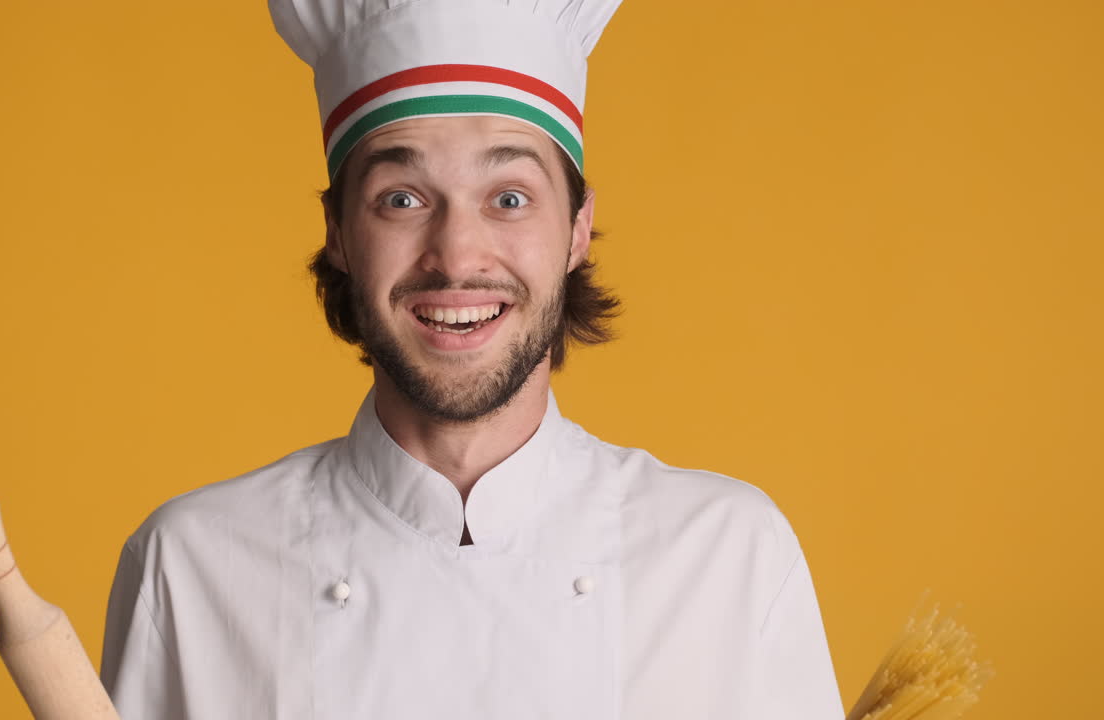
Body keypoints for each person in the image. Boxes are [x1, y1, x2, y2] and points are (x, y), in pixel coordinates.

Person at [99, 1, 843, 718]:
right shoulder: (192, 567)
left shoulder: (729, 558)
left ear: (578, 228)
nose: (456, 256)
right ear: (338, 231)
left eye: (509, 198)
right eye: (402, 199)